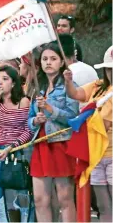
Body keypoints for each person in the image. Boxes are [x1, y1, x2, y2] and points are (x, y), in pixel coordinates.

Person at [28, 43, 79, 222]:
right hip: (40, 144)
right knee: (40, 199)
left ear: (61, 62)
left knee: (64, 198)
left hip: (61, 144)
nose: (48, 62)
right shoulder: (36, 86)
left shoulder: (68, 85)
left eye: (53, 59)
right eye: (45, 59)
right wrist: (35, 121)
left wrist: (50, 109)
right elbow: (29, 119)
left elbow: (73, 117)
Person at [64, 45, 113, 222]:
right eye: (110, 69)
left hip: (111, 155)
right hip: (96, 157)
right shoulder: (98, 87)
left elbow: (104, 125)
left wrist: (86, 118)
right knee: (103, 206)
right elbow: (75, 94)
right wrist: (68, 81)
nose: (111, 73)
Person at [0, 65, 33, 222]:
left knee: (21, 202)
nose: (1, 83)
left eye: (5, 79)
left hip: (20, 153)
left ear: (14, 83)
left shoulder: (23, 101)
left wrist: (13, 146)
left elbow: (29, 130)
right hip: (0, 153)